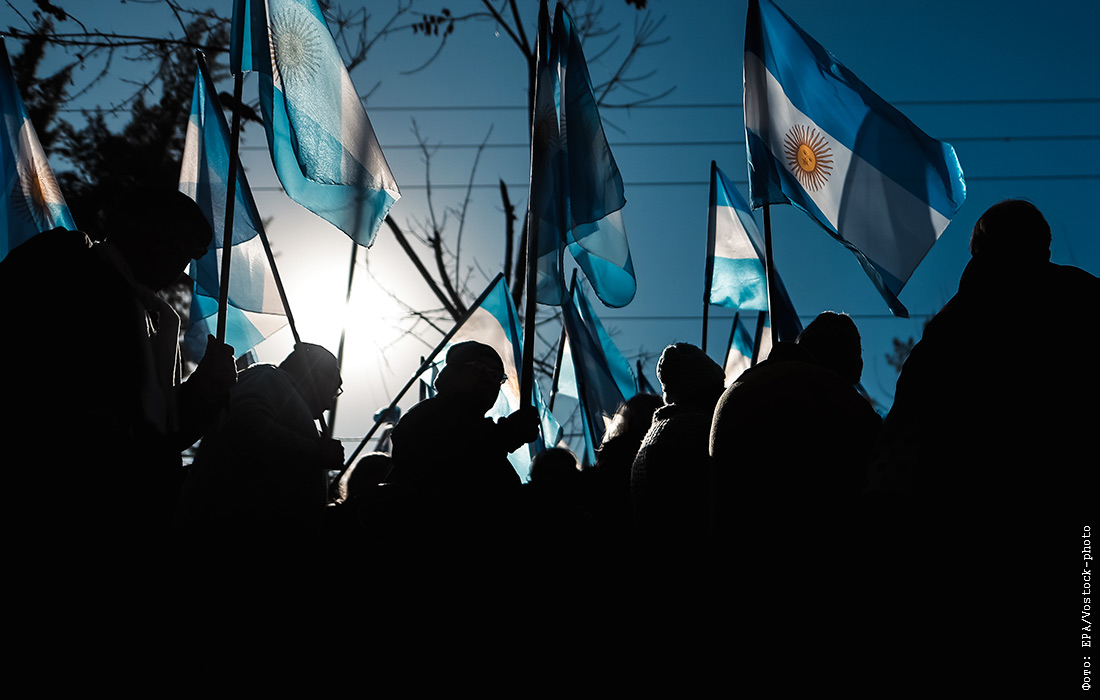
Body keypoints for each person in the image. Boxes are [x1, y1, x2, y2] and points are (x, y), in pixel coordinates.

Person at [0, 189, 236, 562]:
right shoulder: (67, 260)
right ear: (129, 223)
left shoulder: (161, 321)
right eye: (171, 235)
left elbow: (159, 437)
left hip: (125, 524)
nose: (178, 255)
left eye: (189, 252)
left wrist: (204, 391)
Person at [870, 199, 1099, 507]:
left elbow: (905, 433)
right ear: (1043, 246)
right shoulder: (1083, 295)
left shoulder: (952, 326)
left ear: (980, 250)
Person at [176, 343, 344, 562]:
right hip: (230, 543)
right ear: (317, 374)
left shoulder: (278, 388)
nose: (329, 404)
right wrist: (315, 451)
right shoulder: (268, 378)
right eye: (334, 389)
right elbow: (244, 426)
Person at [709, 311, 882, 520]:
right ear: (839, 356)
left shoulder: (740, 386)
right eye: (855, 352)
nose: (859, 365)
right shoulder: (832, 394)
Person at [385, 341, 540, 545]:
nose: (489, 378)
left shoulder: (489, 443)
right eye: (479, 368)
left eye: (497, 376)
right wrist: (506, 434)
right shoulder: (427, 415)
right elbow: (451, 463)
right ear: (454, 373)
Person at [630, 343, 725, 545]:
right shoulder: (695, 430)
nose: (723, 394)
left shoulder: (661, 431)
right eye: (718, 387)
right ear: (702, 389)